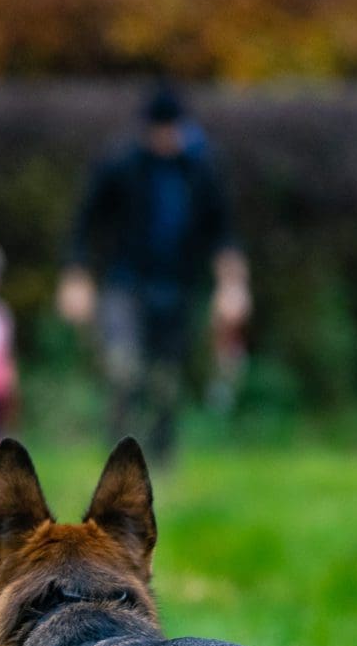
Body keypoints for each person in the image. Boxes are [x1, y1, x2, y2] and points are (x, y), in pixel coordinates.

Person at [57, 83, 250, 463]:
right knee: (123, 367)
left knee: (166, 380)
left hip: (177, 285)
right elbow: (84, 222)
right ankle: (117, 456)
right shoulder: (120, 163)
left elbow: (223, 231)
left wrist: (233, 286)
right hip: (126, 283)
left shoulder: (201, 168)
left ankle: (161, 459)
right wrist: (75, 276)